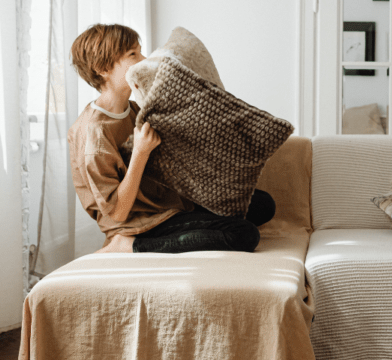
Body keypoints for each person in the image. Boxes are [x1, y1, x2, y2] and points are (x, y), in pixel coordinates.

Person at [67, 23, 273, 255]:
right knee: (244, 234)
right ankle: (129, 245)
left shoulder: (134, 109)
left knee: (263, 204)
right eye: (133, 54)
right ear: (103, 68)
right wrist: (140, 153)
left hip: (166, 204)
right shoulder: (93, 134)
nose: (144, 59)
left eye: (140, 51)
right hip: (137, 222)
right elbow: (117, 212)